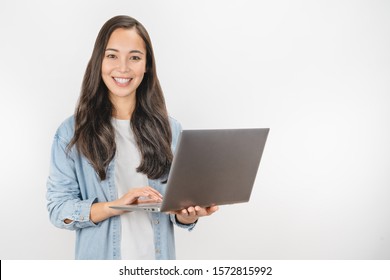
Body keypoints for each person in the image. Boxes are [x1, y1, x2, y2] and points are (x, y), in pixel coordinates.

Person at [46, 15, 218, 260]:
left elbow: (176, 208)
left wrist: (187, 214)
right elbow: (58, 210)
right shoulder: (71, 132)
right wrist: (118, 205)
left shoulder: (170, 130)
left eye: (135, 57)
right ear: (99, 61)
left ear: (146, 65)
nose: (123, 68)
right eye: (112, 55)